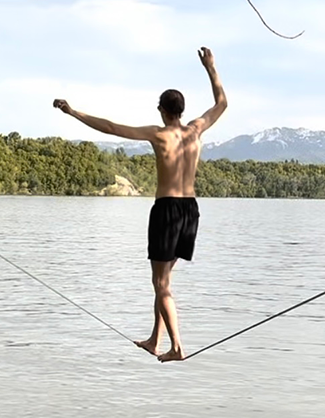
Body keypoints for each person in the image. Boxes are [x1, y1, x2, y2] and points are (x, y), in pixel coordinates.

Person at [53, 47, 227, 362]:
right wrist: (211, 67)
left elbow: (111, 128)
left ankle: (176, 346)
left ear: (162, 109)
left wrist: (74, 113)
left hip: (167, 210)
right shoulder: (196, 129)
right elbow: (222, 103)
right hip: (191, 211)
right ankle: (154, 338)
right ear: (182, 111)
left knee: (160, 283)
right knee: (163, 281)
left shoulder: (158, 135)